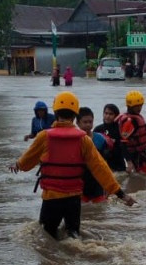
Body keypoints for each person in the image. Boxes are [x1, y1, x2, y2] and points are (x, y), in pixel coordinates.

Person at [9, 91, 135, 239]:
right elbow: (101, 168)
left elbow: (28, 160)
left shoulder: (44, 136)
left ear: (55, 112)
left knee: (46, 236)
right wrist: (121, 194)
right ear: (75, 116)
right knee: (73, 236)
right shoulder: (84, 140)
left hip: (52, 198)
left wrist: (18, 164)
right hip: (74, 199)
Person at [116, 90, 146, 175]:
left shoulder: (135, 118)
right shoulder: (130, 122)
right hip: (136, 156)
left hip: (140, 153)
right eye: (136, 106)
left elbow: (134, 137)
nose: (139, 108)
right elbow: (123, 143)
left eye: (140, 105)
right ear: (129, 106)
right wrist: (129, 162)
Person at [76, 107, 108, 203]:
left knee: (100, 210)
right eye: (85, 122)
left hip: (97, 182)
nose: (88, 125)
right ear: (77, 123)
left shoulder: (100, 139)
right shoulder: (74, 140)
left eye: (90, 122)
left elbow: (104, 163)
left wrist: (107, 184)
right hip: (81, 183)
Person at [94, 103, 126, 172]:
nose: (107, 116)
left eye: (111, 114)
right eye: (106, 113)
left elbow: (125, 148)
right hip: (102, 167)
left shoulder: (120, 130)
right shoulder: (98, 129)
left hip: (118, 167)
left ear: (116, 116)